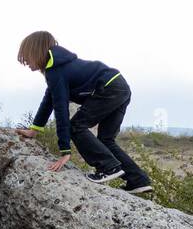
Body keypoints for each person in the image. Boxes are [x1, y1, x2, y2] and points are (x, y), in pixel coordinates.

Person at [14, 30, 152, 193]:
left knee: (76, 126)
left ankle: (108, 167)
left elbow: (60, 109)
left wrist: (65, 150)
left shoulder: (56, 71)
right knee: (106, 140)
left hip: (108, 88)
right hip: (120, 86)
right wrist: (34, 129)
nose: (26, 62)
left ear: (36, 51)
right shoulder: (58, 66)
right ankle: (138, 180)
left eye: (26, 57)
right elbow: (49, 100)